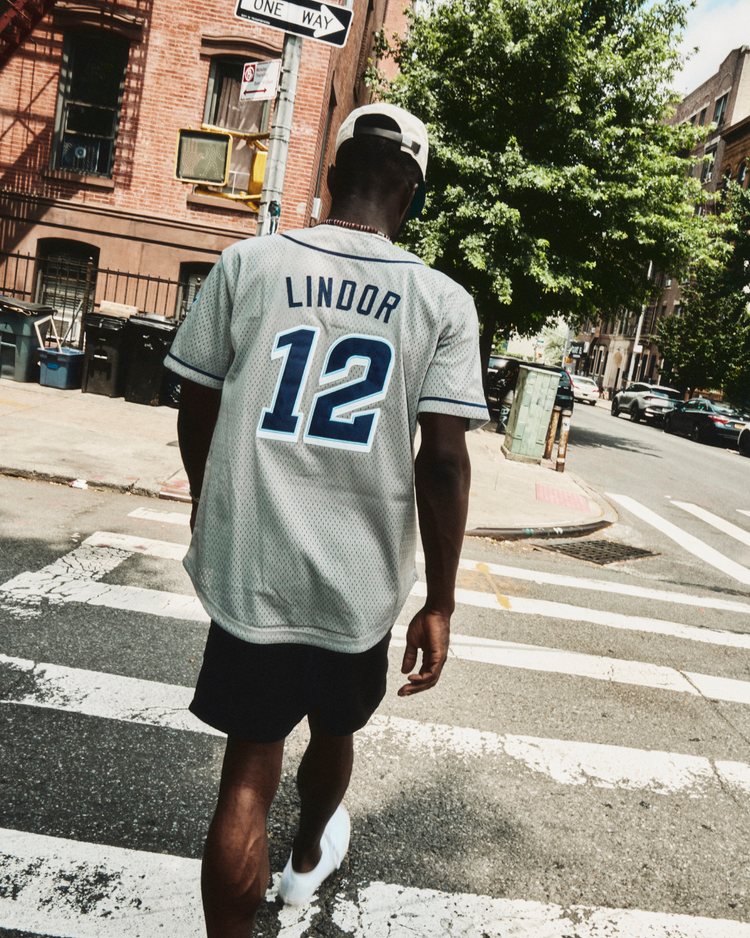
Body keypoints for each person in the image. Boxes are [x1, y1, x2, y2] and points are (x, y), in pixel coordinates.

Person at [165, 102, 489, 937]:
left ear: (332, 173)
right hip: (358, 572)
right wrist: (440, 601)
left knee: (248, 770)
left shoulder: (247, 264)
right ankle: (308, 855)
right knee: (336, 726)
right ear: (412, 194)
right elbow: (443, 461)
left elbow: (196, 402)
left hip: (257, 563)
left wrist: (206, 499)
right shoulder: (442, 301)